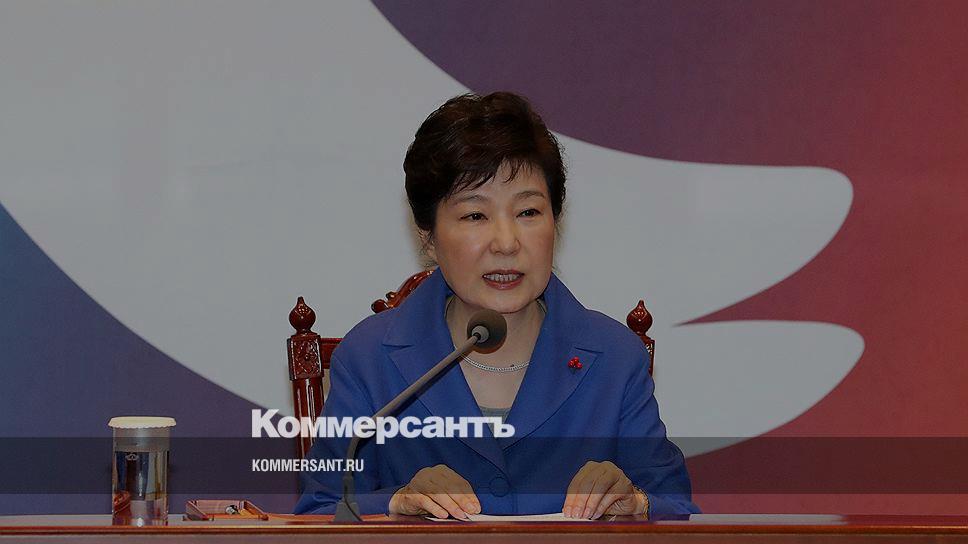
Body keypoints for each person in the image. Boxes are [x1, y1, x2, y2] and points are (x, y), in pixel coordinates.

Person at [295, 92, 698, 519]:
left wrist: (635, 502)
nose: (506, 243)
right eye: (475, 216)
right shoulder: (369, 357)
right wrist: (395, 502)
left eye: (528, 212)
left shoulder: (615, 357)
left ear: (555, 221)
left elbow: (677, 509)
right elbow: (319, 512)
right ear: (428, 237)